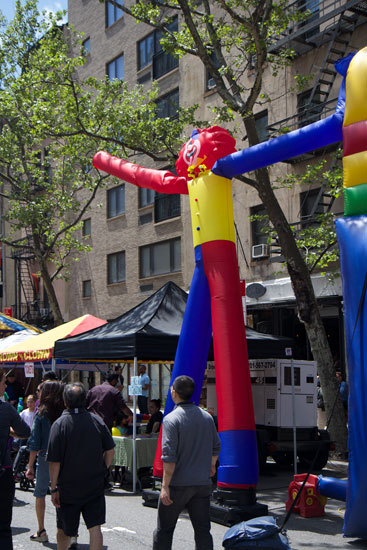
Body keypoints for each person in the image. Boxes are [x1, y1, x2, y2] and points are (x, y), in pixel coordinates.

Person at [153, 375, 221, 550]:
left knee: (164, 531)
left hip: (177, 484)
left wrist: (165, 486)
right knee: (203, 530)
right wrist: (212, 465)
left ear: (174, 393)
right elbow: (216, 446)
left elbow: (169, 456)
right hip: (202, 482)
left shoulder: (171, 419)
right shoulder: (206, 418)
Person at [47, 382, 115, 550]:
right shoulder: (96, 420)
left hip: (68, 487)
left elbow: (55, 461)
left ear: (65, 401)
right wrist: (103, 469)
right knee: (95, 527)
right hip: (94, 484)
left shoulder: (59, 425)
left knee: (64, 529)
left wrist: (54, 487)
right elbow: (110, 449)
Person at [26, 381, 65, 543]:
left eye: (39, 390)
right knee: (61, 493)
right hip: (63, 457)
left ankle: (41, 530)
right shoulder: (64, 412)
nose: (37, 394)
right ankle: (67, 532)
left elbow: (34, 442)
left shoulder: (41, 414)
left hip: (44, 456)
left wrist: (29, 466)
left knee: (40, 493)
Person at [0, 367, 30, 550]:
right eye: (3, 382)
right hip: (3, 472)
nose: (5, 386)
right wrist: (9, 432)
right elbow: (25, 431)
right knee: (3, 527)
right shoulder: (6, 410)